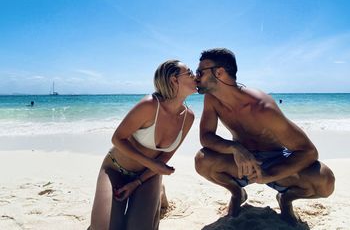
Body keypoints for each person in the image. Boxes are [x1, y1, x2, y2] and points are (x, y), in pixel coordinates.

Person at [194, 48, 335, 225]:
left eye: (200, 72)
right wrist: (235, 148)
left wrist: (268, 175)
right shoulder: (211, 99)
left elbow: (308, 152)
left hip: (275, 162)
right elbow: (206, 136)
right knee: (202, 160)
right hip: (241, 161)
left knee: (325, 181)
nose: (195, 77)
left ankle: (286, 199)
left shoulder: (262, 107)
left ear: (219, 72)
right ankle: (237, 193)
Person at [89, 60, 196, 230]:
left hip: (148, 175)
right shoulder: (149, 105)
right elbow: (117, 138)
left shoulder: (188, 117)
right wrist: (152, 163)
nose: (195, 76)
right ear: (174, 80)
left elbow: (165, 157)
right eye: (189, 73)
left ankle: (158, 191)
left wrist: (137, 182)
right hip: (115, 169)